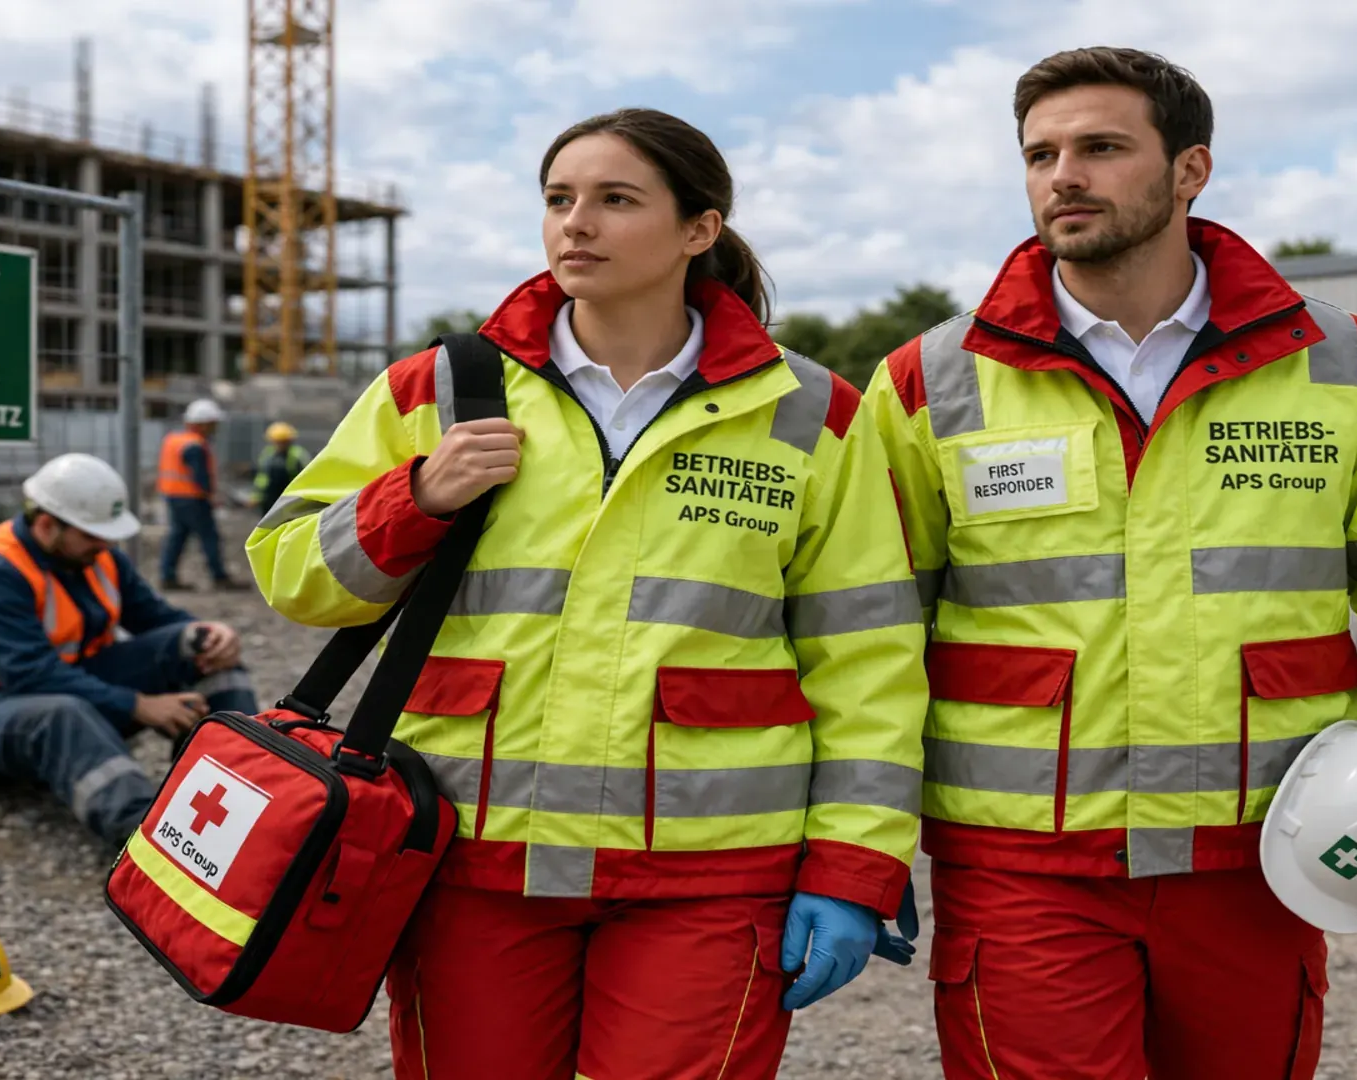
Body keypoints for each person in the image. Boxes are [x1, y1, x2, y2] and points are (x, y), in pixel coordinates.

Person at [864, 47, 1357, 1080]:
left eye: (1100, 147)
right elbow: (865, 629)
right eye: (1040, 153)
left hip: (1262, 855)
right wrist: (858, 841)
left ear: (1191, 170)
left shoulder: (1338, 361)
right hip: (1025, 869)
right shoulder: (933, 380)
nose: (1063, 177)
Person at [250, 108, 926, 1079]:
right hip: (474, 861)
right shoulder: (440, 387)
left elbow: (869, 658)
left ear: (700, 229)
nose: (577, 224)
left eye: (615, 200)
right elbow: (290, 576)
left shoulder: (812, 411)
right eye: (560, 200)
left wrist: (856, 867)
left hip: (713, 872)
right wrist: (419, 494)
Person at [0, 453, 259, 847]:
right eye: (93, 535)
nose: (105, 544)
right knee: (63, 714)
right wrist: (138, 704)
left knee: (198, 647)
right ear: (46, 526)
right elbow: (30, 674)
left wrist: (211, 631)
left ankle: (245, 785)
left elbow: (157, 618)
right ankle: (147, 845)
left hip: (64, 683)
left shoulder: (94, 556)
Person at [157, 398, 239, 590]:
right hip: (192, 498)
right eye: (212, 424)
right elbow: (200, 476)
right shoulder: (194, 445)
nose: (214, 428)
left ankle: (167, 576)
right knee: (209, 536)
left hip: (173, 496)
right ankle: (219, 577)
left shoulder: (174, 440)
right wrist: (210, 495)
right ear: (202, 424)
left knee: (178, 536)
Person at [253, 421, 309, 515]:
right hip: (269, 497)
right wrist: (256, 496)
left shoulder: (297, 455)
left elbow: (305, 477)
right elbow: (262, 477)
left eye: (283, 442)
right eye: (277, 442)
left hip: (290, 497)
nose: (280, 445)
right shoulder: (268, 454)